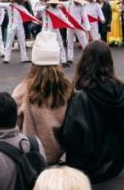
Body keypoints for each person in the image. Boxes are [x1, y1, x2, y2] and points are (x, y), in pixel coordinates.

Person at [59, 41, 124, 189]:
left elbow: (72, 137)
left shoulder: (81, 98)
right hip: (115, 167)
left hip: (88, 173)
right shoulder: (121, 92)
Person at [12, 32, 73, 165]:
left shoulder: (22, 90)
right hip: (58, 158)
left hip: (31, 159)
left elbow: (12, 127)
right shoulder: (67, 89)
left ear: (34, 62)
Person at [0, 0, 33, 64]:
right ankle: (6, 58)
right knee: (9, 43)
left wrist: (37, 21)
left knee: (22, 42)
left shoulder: (22, 7)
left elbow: (30, 16)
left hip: (19, 26)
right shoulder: (8, 5)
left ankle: (24, 58)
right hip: (11, 26)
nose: (19, 1)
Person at [42, 0, 70, 67]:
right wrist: (45, 6)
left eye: (55, 3)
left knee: (60, 45)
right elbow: (35, 9)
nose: (55, 4)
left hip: (55, 30)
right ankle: (44, 61)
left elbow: (64, 19)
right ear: (50, 3)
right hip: (46, 30)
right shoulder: (45, 9)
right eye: (53, 3)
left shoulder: (58, 10)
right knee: (45, 46)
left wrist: (71, 25)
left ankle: (63, 61)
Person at [65, 0, 89, 65]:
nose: (77, 2)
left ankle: (88, 57)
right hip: (69, 25)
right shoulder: (68, 4)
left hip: (78, 26)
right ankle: (70, 58)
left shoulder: (82, 6)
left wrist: (87, 28)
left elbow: (85, 17)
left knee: (84, 41)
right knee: (69, 42)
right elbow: (60, 4)